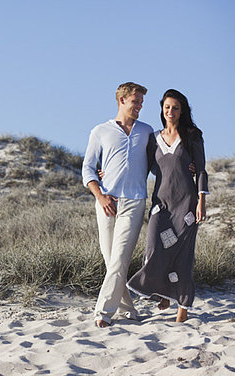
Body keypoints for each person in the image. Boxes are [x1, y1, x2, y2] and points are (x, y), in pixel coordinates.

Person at [127, 89, 208, 322]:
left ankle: (182, 305)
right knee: (154, 248)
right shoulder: (154, 138)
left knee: (182, 255)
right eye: (167, 107)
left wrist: (202, 201)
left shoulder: (192, 135)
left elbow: (201, 170)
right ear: (162, 109)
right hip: (161, 205)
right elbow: (147, 167)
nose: (170, 111)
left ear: (182, 111)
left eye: (175, 107)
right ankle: (162, 292)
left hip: (187, 205)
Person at [82, 82, 153, 328]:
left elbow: (160, 162)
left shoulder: (146, 131)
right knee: (110, 259)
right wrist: (100, 195)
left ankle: (103, 312)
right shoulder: (100, 131)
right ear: (121, 100)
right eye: (136, 102)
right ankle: (129, 311)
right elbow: (88, 169)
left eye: (142, 103)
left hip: (134, 201)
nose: (139, 107)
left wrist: (186, 165)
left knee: (120, 259)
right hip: (106, 202)